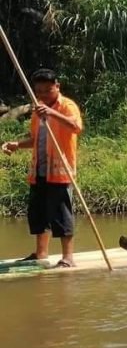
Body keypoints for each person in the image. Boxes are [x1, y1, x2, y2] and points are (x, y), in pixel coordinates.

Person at [2, 69, 83, 268]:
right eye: (39, 91)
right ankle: (41, 253)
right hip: (40, 169)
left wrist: (52, 113)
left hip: (60, 171)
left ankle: (68, 257)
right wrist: (17, 144)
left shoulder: (66, 106)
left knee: (61, 213)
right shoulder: (38, 111)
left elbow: (76, 127)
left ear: (57, 87)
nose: (43, 95)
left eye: (47, 90)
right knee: (38, 213)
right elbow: (35, 139)